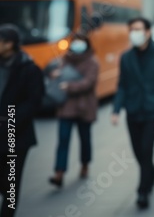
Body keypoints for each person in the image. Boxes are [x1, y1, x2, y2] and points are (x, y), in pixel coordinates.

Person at [111, 17, 154, 209]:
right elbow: (122, 85)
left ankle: (143, 191)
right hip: (132, 110)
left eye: (138, 29)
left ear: (148, 32)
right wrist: (116, 109)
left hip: (153, 110)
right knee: (138, 151)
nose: (135, 33)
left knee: (147, 148)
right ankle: (149, 176)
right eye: (131, 29)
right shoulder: (126, 57)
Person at [0, 24, 44, 217]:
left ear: (10, 44)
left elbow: (34, 101)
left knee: (11, 182)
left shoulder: (28, 68)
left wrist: (10, 119)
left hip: (14, 134)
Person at [48, 34, 99, 188]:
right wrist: (55, 75)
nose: (77, 45)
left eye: (81, 42)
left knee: (85, 139)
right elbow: (57, 75)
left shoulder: (92, 62)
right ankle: (59, 172)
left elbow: (88, 83)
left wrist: (69, 86)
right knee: (63, 140)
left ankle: (85, 164)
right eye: (75, 42)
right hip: (66, 107)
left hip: (84, 107)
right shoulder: (65, 59)